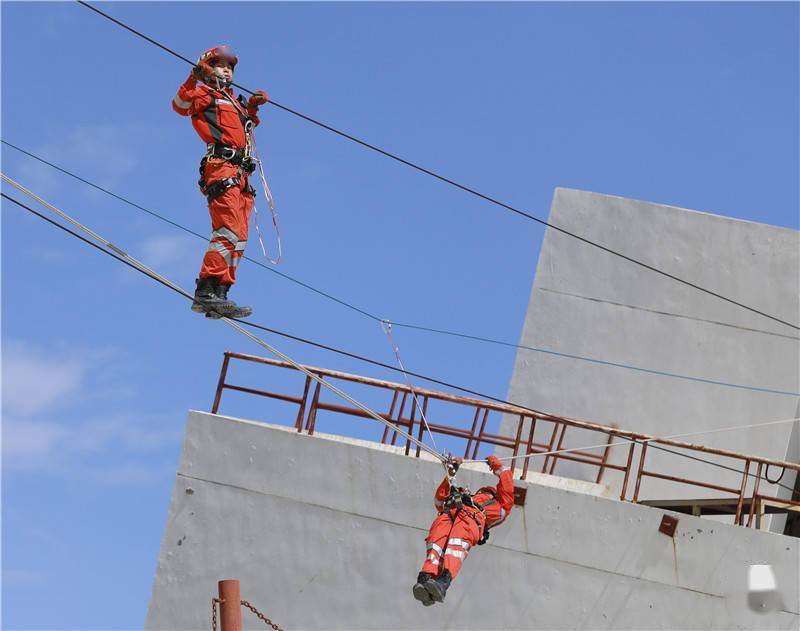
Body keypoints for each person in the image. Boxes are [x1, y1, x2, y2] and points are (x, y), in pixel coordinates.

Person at [172, 45, 269, 318]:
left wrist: (251, 107)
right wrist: (194, 76)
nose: (226, 69)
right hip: (223, 170)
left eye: (230, 66)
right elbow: (180, 105)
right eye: (220, 64)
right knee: (226, 231)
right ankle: (205, 290)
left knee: (239, 237)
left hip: (242, 176)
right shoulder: (204, 93)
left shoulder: (234, 101)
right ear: (207, 67)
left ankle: (221, 292)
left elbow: (245, 126)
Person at [413, 455, 514, 605]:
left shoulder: (498, 507)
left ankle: (442, 583)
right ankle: (425, 579)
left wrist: (494, 463)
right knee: (436, 544)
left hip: (471, 517)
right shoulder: (460, 494)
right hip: (449, 514)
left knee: (455, 546)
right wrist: (451, 475)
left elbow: (506, 481)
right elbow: (439, 501)